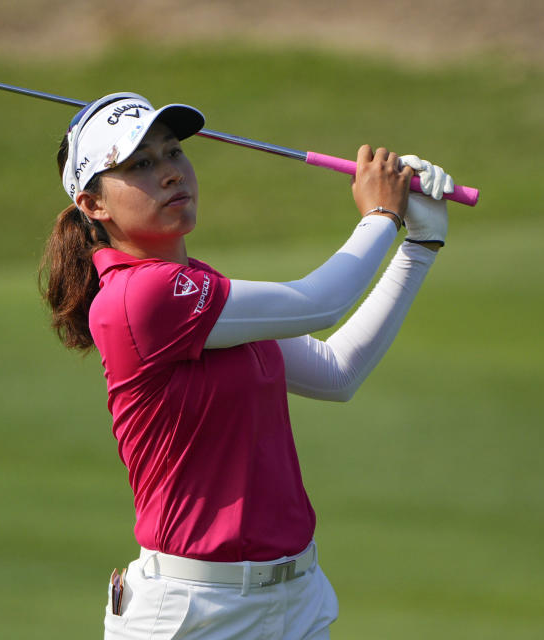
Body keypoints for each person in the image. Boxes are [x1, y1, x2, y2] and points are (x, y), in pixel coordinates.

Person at [40, 92, 453, 640]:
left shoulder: (205, 294)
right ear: (94, 206)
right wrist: (381, 214)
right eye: (140, 165)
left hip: (296, 600)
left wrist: (420, 245)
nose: (170, 174)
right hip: (195, 612)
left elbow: (336, 373)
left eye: (173, 153)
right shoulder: (139, 298)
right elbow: (319, 303)